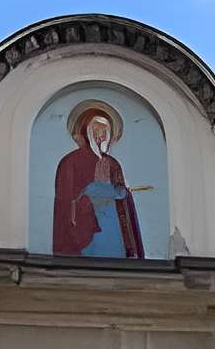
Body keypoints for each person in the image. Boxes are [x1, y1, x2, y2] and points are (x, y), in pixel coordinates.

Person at [52, 100, 147, 259]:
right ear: (86, 132)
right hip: (88, 226)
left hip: (112, 224)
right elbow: (66, 201)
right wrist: (100, 191)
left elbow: (122, 199)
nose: (100, 136)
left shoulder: (112, 163)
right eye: (95, 130)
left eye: (104, 131)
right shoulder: (70, 162)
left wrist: (122, 193)